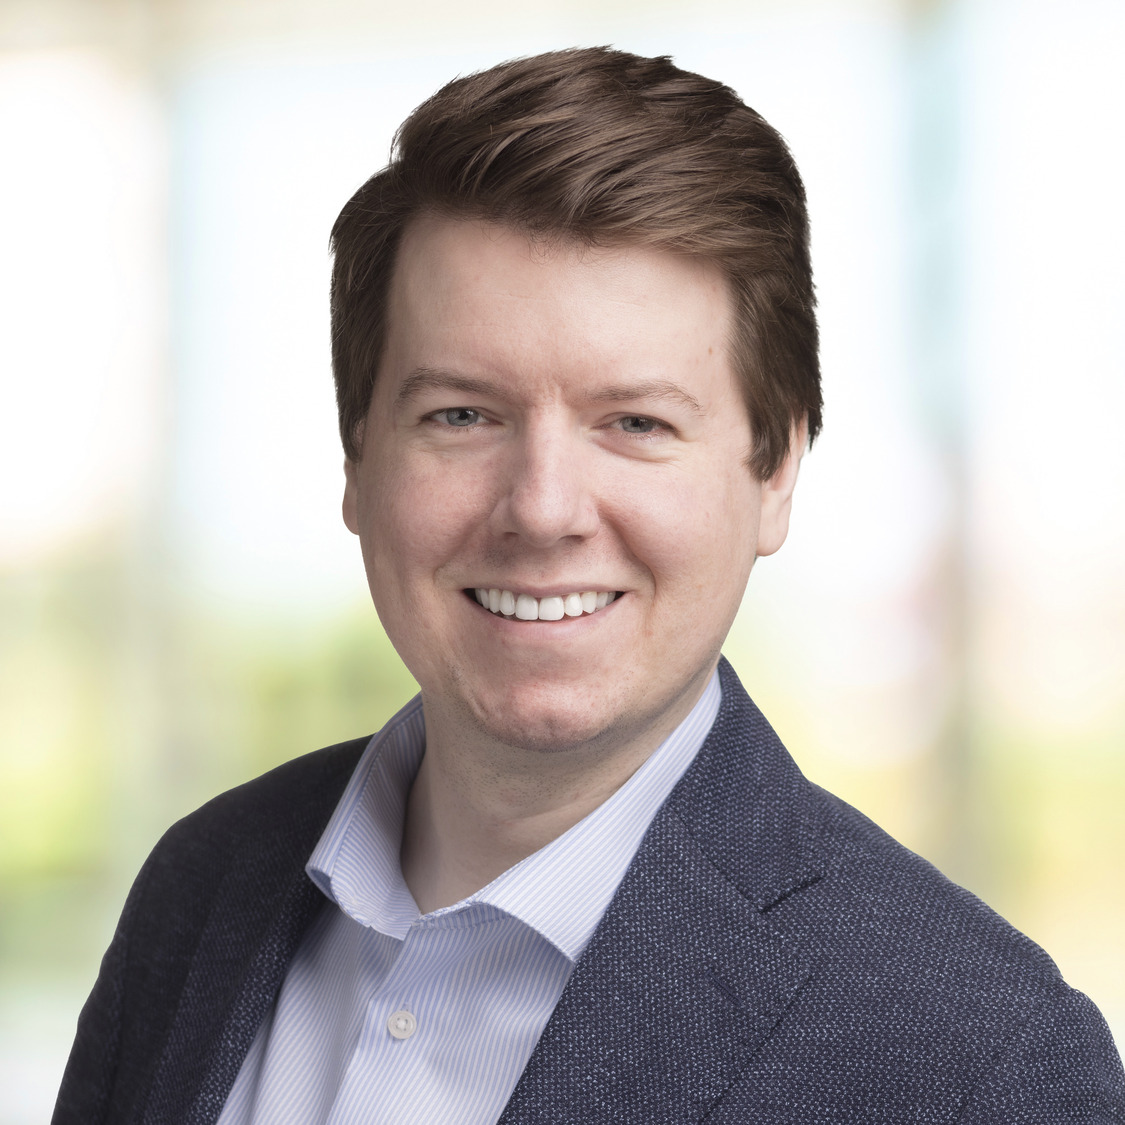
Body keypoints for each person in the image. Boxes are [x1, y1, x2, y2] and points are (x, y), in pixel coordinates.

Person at [53, 46, 1123, 1125]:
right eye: (462, 415)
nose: (544, 507)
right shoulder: (204, 889)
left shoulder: (981, 1061)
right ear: (356, 455)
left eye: (637, 423)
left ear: (776, 472)